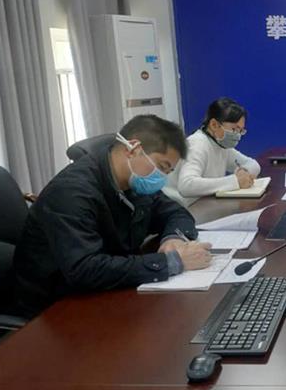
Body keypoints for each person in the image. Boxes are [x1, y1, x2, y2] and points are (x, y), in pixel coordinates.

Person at [14, 115, 213, 316]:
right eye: (162, 167)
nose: (162, 178)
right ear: (133, 149)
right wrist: (172, 262)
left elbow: (176, 213)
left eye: (168, 171)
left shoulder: (135, 182)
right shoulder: (72, 192)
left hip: (105, 292)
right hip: (54, 308)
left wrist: (173, 239)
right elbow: (85, 269)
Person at [164, 97, 261, 207]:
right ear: (214, 124)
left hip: (203, 203)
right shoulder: (197, 144)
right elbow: (186, 185)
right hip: (181, 208)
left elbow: (254, 165)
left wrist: (244, 173)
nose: (237, 135)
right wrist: (235, 181)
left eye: (240, 131)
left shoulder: (221, 146)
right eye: (234, 129)